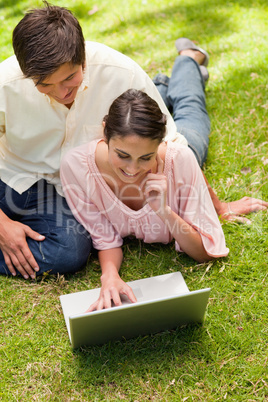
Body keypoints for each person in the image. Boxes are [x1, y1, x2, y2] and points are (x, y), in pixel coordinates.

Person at [0, 3, 266, 280]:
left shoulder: (120, 72)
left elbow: (172, 141)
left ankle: (188, 62)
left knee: (191, 139)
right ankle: (161, 86)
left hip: (131, 156)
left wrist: (218, 207)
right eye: (45, 85)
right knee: (69, 251)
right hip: (25, 179)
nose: (61, 92)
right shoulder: (5, 85)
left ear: (84, 60)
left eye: (70, 78)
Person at [60, 89, 230, 311]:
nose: (132, 169)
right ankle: (162, 84)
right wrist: (109, 277)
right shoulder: (76, 166)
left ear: (160, 143)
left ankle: (188, 59)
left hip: (189, 151)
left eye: (145, 158)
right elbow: (105, 239)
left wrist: (164, 211)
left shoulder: (181, 159)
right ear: (104, 134)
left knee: (190, 109)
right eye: (122, 155)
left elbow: (206, 253)